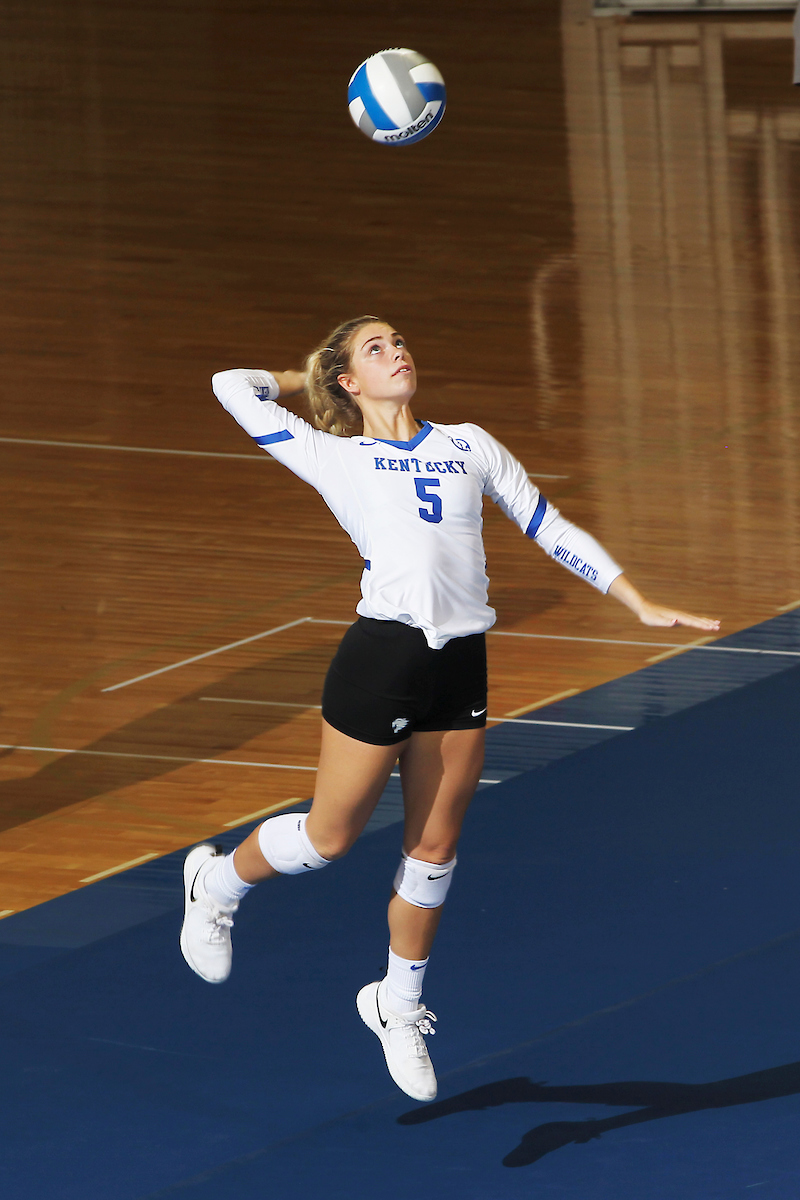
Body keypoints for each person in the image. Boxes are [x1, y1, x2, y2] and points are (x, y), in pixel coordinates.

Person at [180, 315, 719, 1103]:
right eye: (374, 348)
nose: (397, 351)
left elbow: (547, 523)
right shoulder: (335, 455)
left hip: (461, 662)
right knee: (330, 839)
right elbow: (232, 387)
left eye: (398, 341)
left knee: (435, 850)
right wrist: (308, 373)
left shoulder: (469, 443)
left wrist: (634, 600)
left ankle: (395, 1004)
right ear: (348, 382)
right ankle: (219, 884)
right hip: (382, 663)